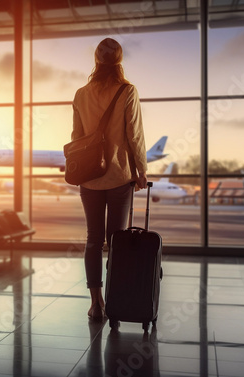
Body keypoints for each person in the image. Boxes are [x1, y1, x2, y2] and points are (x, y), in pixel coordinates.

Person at [71, 38, 148, 320]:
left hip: (89, 179)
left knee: (93, 240)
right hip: (118, 176)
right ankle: (116, 299)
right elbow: (134, 135)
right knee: (116, 242)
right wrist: (141, 169)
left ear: (96, 59)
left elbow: (76, 138)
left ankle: (96, 303)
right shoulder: (127, 91)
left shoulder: (81, 94)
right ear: (119, 60)